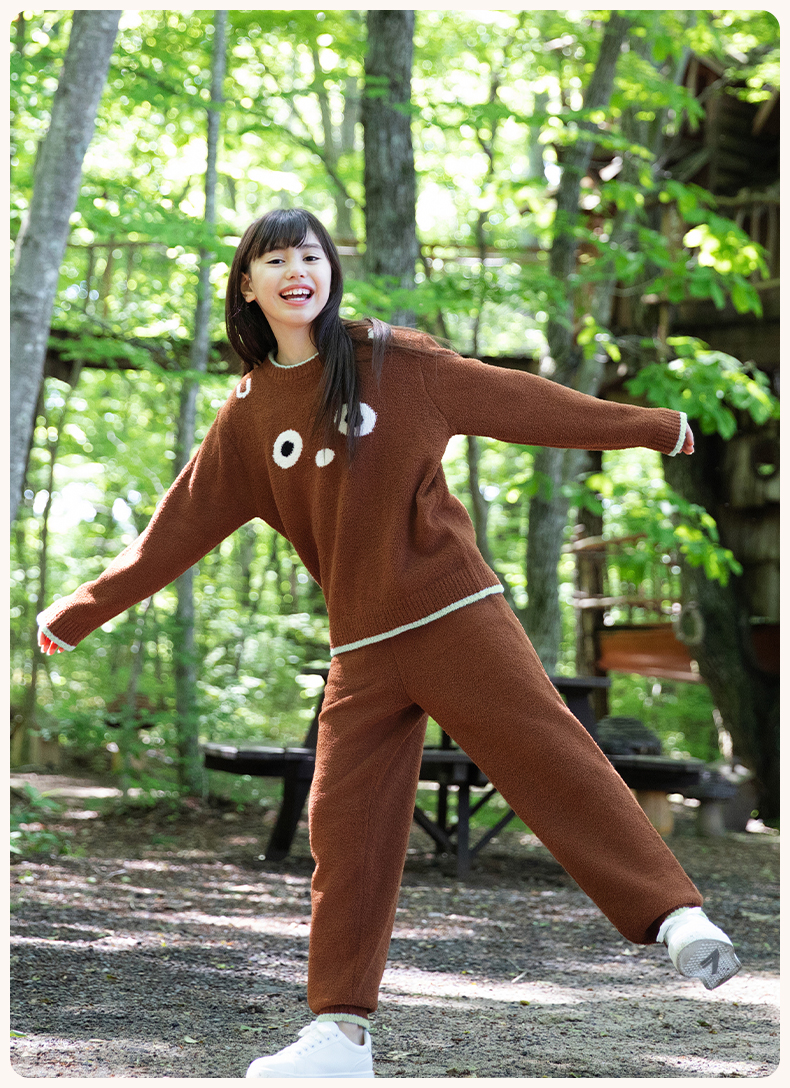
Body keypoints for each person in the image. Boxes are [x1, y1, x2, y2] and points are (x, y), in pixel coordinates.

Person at [38, 207, 740, 1079]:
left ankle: (678, 918)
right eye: (274, 260)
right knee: (346, 831)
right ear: (247, 286)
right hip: (363, 647)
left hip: (454, 613)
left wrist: (650, 426)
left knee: (547, 754)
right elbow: (175, 529)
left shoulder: (392, 362)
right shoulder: (248, 415)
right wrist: (80, 610)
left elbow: (518, 401)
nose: (296, 271)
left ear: (330, 271)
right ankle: (341, 1039)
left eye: (310, 255)